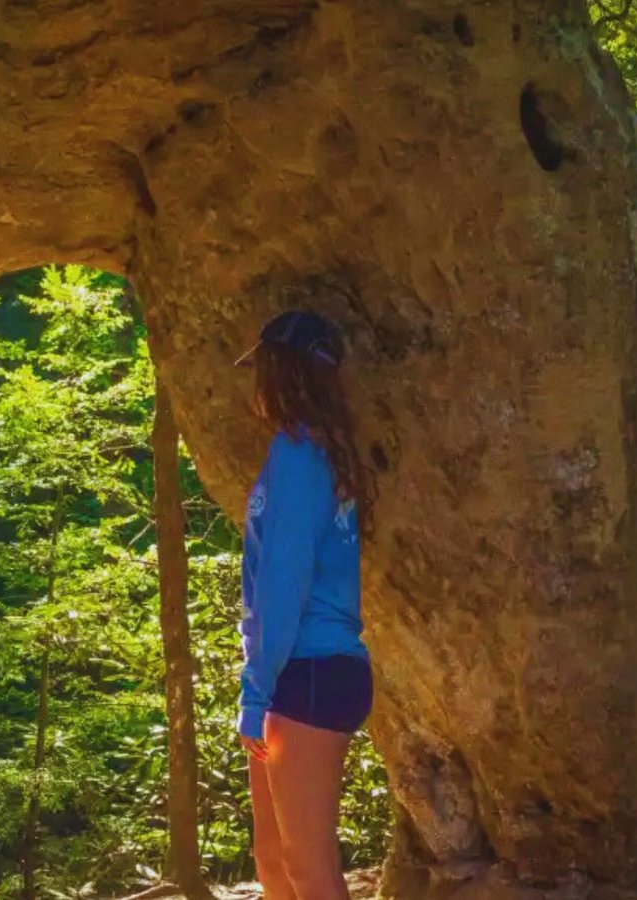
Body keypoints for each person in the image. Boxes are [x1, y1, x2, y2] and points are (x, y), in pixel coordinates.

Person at [233, 310, 375, 900]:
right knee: (274, 858)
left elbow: (283, 585)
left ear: (281, 373)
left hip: (307, 674)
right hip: (305, 673)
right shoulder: (321, 453)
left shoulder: (298, 456)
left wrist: (256, 691)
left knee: (309, 869)